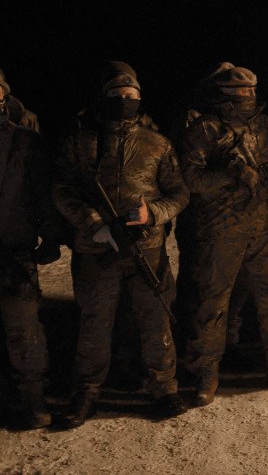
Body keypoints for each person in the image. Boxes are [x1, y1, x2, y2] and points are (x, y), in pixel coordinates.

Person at [53, 62, 190, 426]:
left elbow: (179, 193)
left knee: (155, 320)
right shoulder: (80, 141)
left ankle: (164, 388)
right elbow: (62, 189)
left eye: (131, 95)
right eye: (116, 95)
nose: (124, 100)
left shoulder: (156, 143)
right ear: (103, 97)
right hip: (97, 248)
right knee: (95, 323)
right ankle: (87, 391)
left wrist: (153, 213)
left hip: (146, 248)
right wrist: (92, 222)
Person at [180, 65, 268, 406]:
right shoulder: (204, 130)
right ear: (225, 94)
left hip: (263, 225)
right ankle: (205, 373)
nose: (249, 95)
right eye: (241, 91)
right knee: (213, 302)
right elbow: (192, 180)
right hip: (221, 228)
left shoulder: (263, 126)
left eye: (251, 90)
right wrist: (232, 173)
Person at [0, 99, 63, 429]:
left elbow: (43, 192)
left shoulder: (25, 141)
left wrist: (51, 236)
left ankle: (32, 397)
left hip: (14, 249)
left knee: (24, 326)